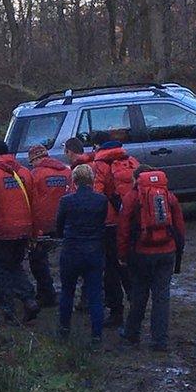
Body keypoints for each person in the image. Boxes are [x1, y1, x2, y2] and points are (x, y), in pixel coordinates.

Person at [118, 166, 186, 352]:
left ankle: (132, 332)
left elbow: (123, 230)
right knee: (161, 296)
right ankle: (159, 340)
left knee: (139, 292)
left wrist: (123, 255)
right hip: (167, 251)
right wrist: (178, 250)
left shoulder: (131, 198)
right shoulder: (168, 196)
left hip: (141, 253)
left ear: (136, 179)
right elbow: (179, 225)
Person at [0, 140, 38, 324]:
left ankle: (9, 312)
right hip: (24, 229)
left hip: (2, 230)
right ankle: (29, 299)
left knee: (1, 271)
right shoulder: (25, 172)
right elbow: (34, 201)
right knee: (16, 266)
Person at [91, 131, 140, 329]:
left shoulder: (99, 165)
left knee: (111, 268)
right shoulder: (131, 161)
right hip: (132, 221)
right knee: (128, 264)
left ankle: (116, 311)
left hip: (110, 224)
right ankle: (136, 303)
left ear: (97, 146)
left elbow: (97, 195)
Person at [55, 164, 109, 344]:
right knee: (95, 294)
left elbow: (59, 226)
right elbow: (102, 223)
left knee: (67, 291)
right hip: (94, 250)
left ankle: (64, 330)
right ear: (92, 179)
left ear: (74, 180)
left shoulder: (66, 201)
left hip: (72, 250)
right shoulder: (101, 200)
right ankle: (97, 335)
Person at [27, 144, 71, 307]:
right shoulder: (67, 171)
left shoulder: (35, 175)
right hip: (64, 222)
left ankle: (46, 293)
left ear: (36, 159)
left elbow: (31, 200)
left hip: (42, 224)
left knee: (37, 260)